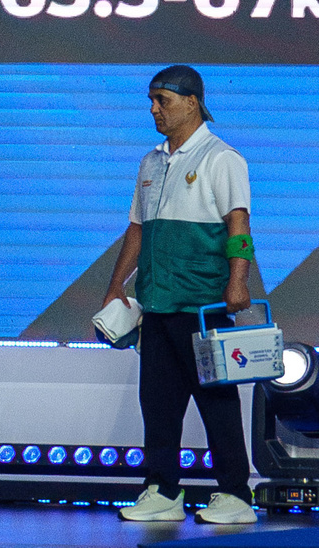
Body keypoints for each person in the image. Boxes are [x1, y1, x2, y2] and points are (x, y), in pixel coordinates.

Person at [98, 65, 256, 525]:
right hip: (157, 304)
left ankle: (235, 495)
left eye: (162, 101)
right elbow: (137, 230)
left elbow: (239, 225)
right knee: (158, 405)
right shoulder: (151, 162)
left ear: (192, 102)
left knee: (216, 402)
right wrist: (115, 287)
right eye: (151, 100)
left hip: (203, 305)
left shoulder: (221, 158)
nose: (153, 110)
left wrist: (238, 281)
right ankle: (163, 490)